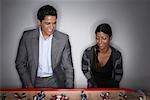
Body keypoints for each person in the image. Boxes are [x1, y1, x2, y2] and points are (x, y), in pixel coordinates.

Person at [15, 5, 74, 88]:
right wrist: (27, 83)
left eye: (54, 23)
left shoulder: (63, 39)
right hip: (33, 81)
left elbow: (68, 67)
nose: (52, 27)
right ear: (39, 22)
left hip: (55, 81)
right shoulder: (27, 37)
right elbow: (20, 63)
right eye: (48, 23)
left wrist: (70, 90)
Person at [82, 23, 123, 88]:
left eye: (104, 38)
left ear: (110, 38)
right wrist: (92, 82)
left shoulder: (117, 55)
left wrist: (113, 88)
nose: (100, 42)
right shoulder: (88, 53)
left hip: (111, 89)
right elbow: (84, 69)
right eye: (97, 38)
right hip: (93, 89)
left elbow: (119, 73)